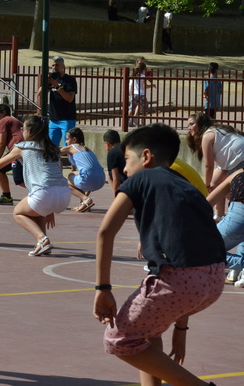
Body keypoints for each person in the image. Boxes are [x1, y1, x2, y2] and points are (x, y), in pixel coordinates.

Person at [93, 124, 225, 386]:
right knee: (147, 330)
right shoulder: (187, 187)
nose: (126, 169)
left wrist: (103, 288)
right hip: (214, 280)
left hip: (180, 279)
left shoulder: (141, 178)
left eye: (127, 160)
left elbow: (105, 232)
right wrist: (181, 328)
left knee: (118, 339)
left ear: (146, 157)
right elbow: (192, 256)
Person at [0, 115, 70, 256]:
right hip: (64, 194)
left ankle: (42, 239)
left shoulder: (23, 147)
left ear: (30, 131)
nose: (22, 131)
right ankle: (42, 243)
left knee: (17, 212)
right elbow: (58, 172)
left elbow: (0, 163)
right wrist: (50, 209)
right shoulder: (54, 149)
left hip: (44, 192)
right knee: (38, 211)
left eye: (22, 128)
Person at [186, 112, 244, 219]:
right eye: (188, 125)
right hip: (235, 159)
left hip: (239, 159)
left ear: (201, 124)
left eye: (192, 124)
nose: (189, 128)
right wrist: (210, 184)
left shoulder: (207, 136)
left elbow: (209, 165)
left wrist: (206, 185)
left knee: (230, 192)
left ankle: (237, 216)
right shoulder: (217, 130)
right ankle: (219, 216)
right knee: (216, 183)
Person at [207, 168, 244, 287]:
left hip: (237, 219)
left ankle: (240, 265)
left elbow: (206, 204)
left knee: (200, 249)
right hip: (238, 220)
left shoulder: (238, 174)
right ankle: (237, 272)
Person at [36, 56, 78, 147]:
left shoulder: (70, 81)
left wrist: (57, 87)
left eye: (57, 65)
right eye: (53, 66)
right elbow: (39, 93)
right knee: (51, 146)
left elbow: (69, 98)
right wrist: (46, 82)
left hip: (67, 119)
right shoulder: (51, 80)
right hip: (53, 118)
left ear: (63, 66)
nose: (55, 68)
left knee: (67, 145)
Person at [61, 127, 105, 212]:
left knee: (64, 181)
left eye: (67, 139)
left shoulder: (72, 147)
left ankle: (85, 199)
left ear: (74, 139)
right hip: (101, 179)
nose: (66, 142)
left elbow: (53, 154)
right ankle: (84, 203)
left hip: (89, 177)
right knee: (78, 174)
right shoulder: (89, 150)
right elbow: (90, 172)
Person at [0, 104, 24, 205]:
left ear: (4, 112)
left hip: (18, 151)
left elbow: (1, 143)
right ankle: (6, 196)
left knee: (19, 180)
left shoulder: (4, 120)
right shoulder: (11, 120)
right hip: (20, 150)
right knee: (0, 170)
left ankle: (42, 191)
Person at [129, 60, 155, 127]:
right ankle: (139, 121)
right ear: (143, 69)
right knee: (145, 109)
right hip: (141, 94)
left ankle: (129, 120)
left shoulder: (134, 75)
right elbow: (144, 86)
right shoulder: (143, 76)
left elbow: (132, 85)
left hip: (134, 94)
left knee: (132, 107)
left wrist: (131, 93)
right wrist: (152, 85)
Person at [103, 129, 127, 194]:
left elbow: (116, 179)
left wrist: (116, 199)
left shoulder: (112, 153)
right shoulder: (126, 147)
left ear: (107, 144)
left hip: (128, 179)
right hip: (138, 175)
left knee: (109, 175)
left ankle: (116, 195)